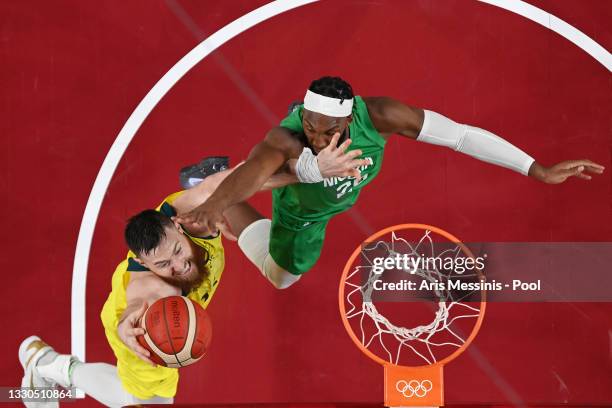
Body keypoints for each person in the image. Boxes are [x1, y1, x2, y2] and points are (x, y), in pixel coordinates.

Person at [175, 76, 605, 290]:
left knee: (281, 181)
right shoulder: (286, 137)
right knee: (282, 277)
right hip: (304, 212)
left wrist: (536, 169)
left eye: (329, 130)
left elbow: (460, 135)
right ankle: (209, 184)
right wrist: (213, 207)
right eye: (310, 125)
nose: (318, 137)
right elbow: (255, 169)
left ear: (351, 116)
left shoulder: (382, 116)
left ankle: (217, 187)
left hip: (329, 193)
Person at [17, 162, 309, 407]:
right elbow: (134, 303)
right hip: (144, 335)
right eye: (163, 265)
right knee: (150, 400)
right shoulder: (151, 306)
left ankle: (45, 363)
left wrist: (308, 170)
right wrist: (124, 326)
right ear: (145, 265)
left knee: (226, 193)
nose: (178, 265)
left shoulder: (189, 214)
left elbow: (241, 176)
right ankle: (47, 365)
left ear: (180, 225)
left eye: (178, 251)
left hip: (193, 241)